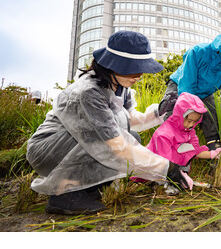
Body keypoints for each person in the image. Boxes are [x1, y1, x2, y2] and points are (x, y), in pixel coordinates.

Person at [26, 30, 191, 215]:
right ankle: (63, 194)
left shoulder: (120, 86)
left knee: (131, 134)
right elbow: (116, 145)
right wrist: (166, 168)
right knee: (114, 140)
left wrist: (158, 112)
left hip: (76, 144)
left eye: (141, 69)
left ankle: (86, 188)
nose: (138, 76)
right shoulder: (89, 92)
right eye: (133, 69)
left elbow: (129, 121)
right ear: (113, 64)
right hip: (48, 148)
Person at [158, 24, 221, 152]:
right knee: (176, 112)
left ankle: (215, 152)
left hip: (205, 93)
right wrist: (189, 110)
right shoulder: (198, 52)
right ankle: (168, 147)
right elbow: (187, 85)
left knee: (211, 118)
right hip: (181, 85)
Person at [147, 92, 221, 172]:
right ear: (180, 115)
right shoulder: (164, 134)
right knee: (183, 147)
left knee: (188, 147)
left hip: (172, 169)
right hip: (151, 170)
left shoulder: (190, 131)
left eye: (195, 121)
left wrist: (214, 153)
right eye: (189, 121)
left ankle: (179, 175)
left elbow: (196, 151)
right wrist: (175, 176)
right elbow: (164, 161)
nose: (191, 125)